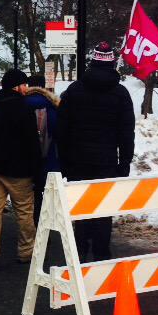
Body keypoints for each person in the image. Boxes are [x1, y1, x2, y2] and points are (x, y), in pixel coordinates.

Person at [55, 42, 135, 261]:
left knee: (81, 206)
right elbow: (126, 131)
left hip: (77, 160)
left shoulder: (74, 90)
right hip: (106, 160)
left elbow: (61, 128)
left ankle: (80, 251)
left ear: (92, 63)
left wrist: (63, 161)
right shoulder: (120, 93)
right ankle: (101, 252)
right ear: (111, 64)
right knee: (103, 207)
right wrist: (124, 162)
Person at [0, 69, 42, 269]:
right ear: (17, 86)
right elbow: (32, 143)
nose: (26, 88)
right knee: (24, 211)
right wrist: (36, 170)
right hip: (18, 170)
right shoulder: (24, 110)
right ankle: (26, 252)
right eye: (24, 84)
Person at [25, 74, 61, 222]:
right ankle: (44, 224)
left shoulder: (21, 103)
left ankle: (28, 228)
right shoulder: (54, 105)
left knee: (26, 196)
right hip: (50, 158)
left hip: (25, 159)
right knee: (45, 192)